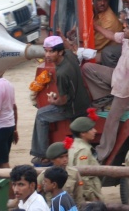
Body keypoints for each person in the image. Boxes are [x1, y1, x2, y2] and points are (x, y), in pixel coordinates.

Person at [83, 16, 129, 161]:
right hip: (115, 77)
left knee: (112, 120)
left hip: (125, 91)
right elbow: (111, 35)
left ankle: (101, 154)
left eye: (128, 27)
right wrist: (95, 26)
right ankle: (104, 96)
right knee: (88, 68)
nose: (124, 28)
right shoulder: (125, 40)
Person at [30, 36, 92, 164]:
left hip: (72, 109)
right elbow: (69, 47)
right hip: (82, 101)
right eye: (46, 51)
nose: (47, 55)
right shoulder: (69, 55)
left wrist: (53, 101)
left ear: (60, 52)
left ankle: (43, 154)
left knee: (41, 115)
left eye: (51, 51)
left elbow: (63, 101)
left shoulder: (62, 73)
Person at [67, 115, 101, 203]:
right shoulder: (83, 150)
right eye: (91, 129)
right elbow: (83, 176)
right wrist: (91, 196)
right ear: (83, 133)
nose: (95, 131)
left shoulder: (73, 146)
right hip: (88, 194)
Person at [89, 0, 123, 68]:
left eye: (105, 0)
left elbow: (95, 44)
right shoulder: (92, 9)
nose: (102, 3)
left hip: (107, 55)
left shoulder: (109, 20)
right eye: (99, 0)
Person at [0, 69, 16, 168]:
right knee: (0, 160)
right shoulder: (8, 84)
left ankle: (11, 178)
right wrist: (15, 129)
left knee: (1, 162)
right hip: (8, 125)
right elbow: (14, 107)